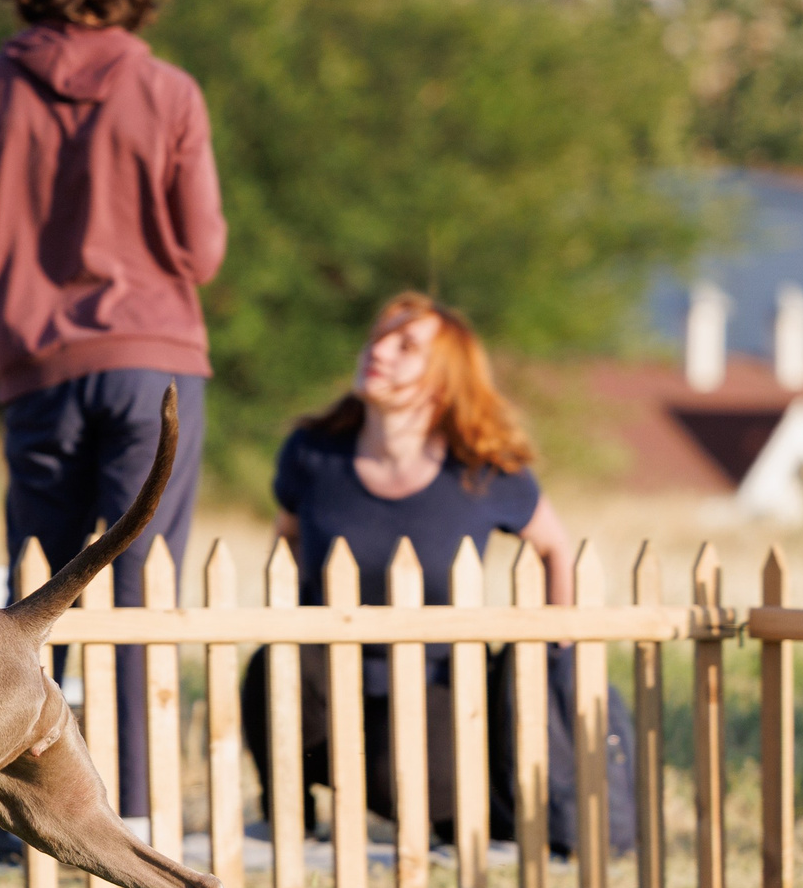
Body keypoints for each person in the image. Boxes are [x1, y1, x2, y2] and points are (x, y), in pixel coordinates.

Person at [0, 0, 224, 826]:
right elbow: (203, 251)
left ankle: (54, 811)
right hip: (155, 368)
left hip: (37, 375)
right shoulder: (168, 89)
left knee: (43, 599)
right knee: (136, 590)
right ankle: (132, 812)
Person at [242, 292, 637, 855]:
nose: (378, 349)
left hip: (438, 683)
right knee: (273, 665)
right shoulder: (312, 453)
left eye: (405, 346)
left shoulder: (484, 469)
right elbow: (287, 537)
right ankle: (288, 819)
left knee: (406, 784)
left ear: (443, 379)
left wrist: (557, 643)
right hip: (330, 673)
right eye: (378, 336)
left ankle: (446, 816)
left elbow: (555, 546)